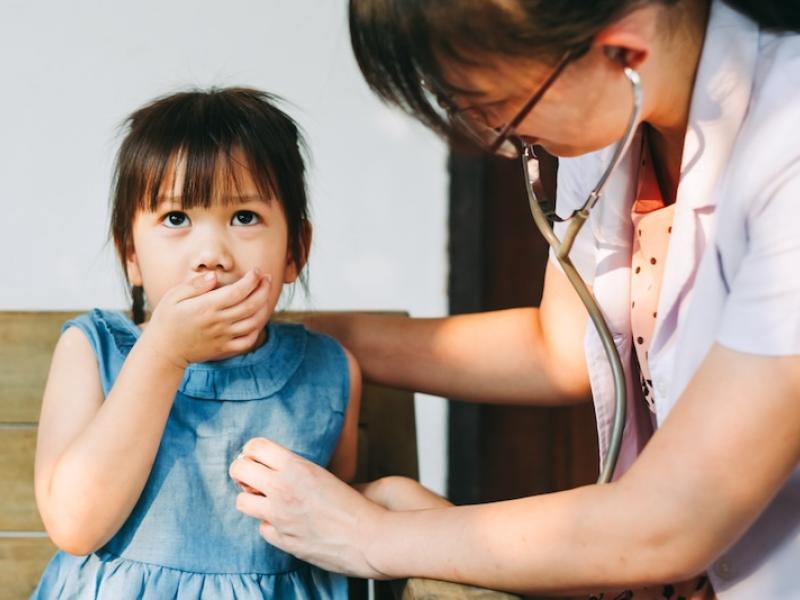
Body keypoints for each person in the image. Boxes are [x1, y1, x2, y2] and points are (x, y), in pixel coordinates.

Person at [228, 1, 800, 598]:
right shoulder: (613, 119)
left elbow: (675, 518)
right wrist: (292, 335)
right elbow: (561, 346)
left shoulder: (788, 145)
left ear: (624, 49)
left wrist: (370, 536)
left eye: (500, 112)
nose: (503, 136)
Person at [32, 87, 361, 599]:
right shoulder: (93, 350)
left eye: (245, 217)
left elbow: (331, 535)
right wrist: (163, 354)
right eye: (176, 219)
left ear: (296, 250)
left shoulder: (327, 370)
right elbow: (75, 524)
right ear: (131, 257)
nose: (211, 254)